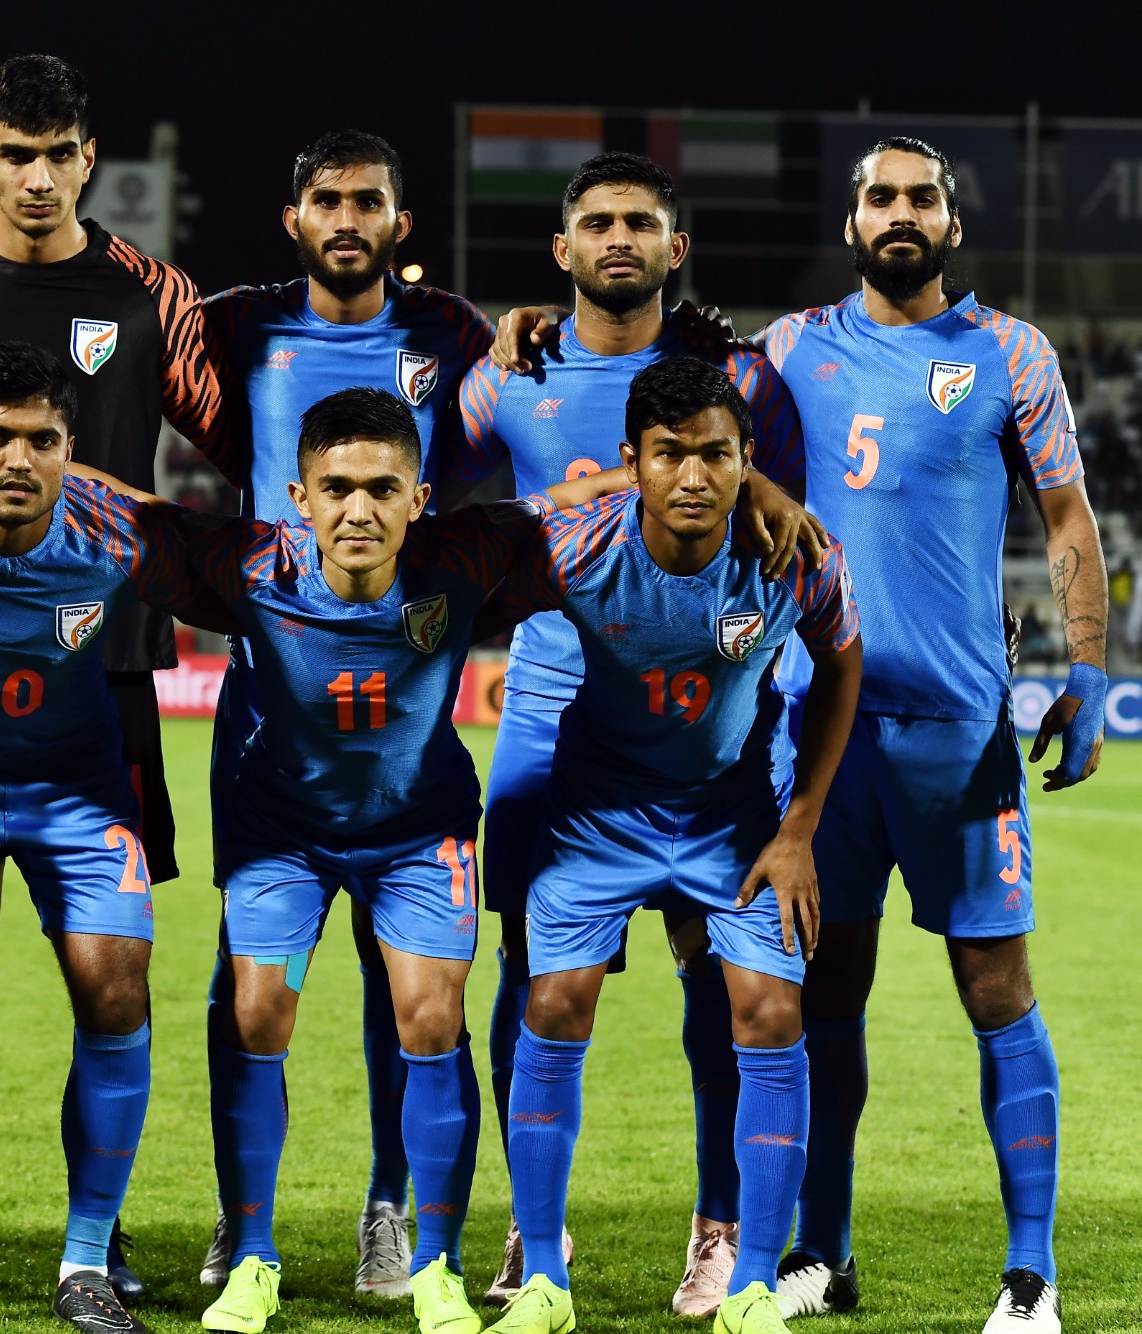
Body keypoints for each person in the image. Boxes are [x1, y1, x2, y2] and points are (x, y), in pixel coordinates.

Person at [64, 388, 613, 1334]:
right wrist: (9, 466)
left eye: (382, 489)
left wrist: (735, 483)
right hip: (284, 833)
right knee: (255, 1010)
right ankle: (251, 1256)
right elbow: (136, 513)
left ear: (419, 497)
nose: (358, 509)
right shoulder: (252, 565)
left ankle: (437, 1265)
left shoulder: (463, 554)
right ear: (298, 498)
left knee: (433, 1019)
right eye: (337, 489)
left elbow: (579, 500)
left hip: (419, 833)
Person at [0, 52, 219, 1297]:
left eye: (56, 151)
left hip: (109, 674)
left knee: (103, 964)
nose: (33, 175)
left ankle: (100, 1230)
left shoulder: (149, 290)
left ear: (87, 157)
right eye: (11, 152)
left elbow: (235, 436)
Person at [749, 137, 1106, 1333]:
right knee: (822, 992)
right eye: (877, 196)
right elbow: (693, 442)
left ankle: (1028, 1274)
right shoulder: (788, 349)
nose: (898, 213)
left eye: (920, 197)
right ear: (849, 219)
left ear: (950, 222)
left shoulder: (1009, 353)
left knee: (996, 986)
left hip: (958, 730)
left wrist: (1089, 667)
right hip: (818, 733)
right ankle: (823, 1253)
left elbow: (1064, 509)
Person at [458, 151, 811, 1314]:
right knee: (531, 974)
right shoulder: (497, 378)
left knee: (718, 974)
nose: (619, 237)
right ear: (560, 251)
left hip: (706, 708)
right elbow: (436, 510)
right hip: (549, 702)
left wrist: (757, 490)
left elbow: (783, 511)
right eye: (597, 222)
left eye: (641, 222)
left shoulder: (730, 384)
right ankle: (529, 1225)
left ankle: (719, 1224)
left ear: (674, 249)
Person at [481, 357, 862, 1334]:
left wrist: (799, 825)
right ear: (630, 461)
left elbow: (840, 661)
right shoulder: (573, 542)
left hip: (727, 813)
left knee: (769, 1009)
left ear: (746, 460)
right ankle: (541, 1275)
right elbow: (456, 572)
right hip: (595, 809)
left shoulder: (794, 554)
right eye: (667, 456)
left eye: (716, 455)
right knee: (552, 997)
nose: (692, 477)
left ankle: (747, 1283)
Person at [192, 130, 495, 1296]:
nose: (347, 217)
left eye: (369, 199)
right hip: (276, 659)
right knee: (249, 983)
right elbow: (125, 325)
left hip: (399, 663)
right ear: (293, 216)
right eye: (325, 199)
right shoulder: (235, 320)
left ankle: (389, 1201)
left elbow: (529, 390)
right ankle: (241, 1217)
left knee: (406, 980)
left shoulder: (453, 336)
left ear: (399, 222)